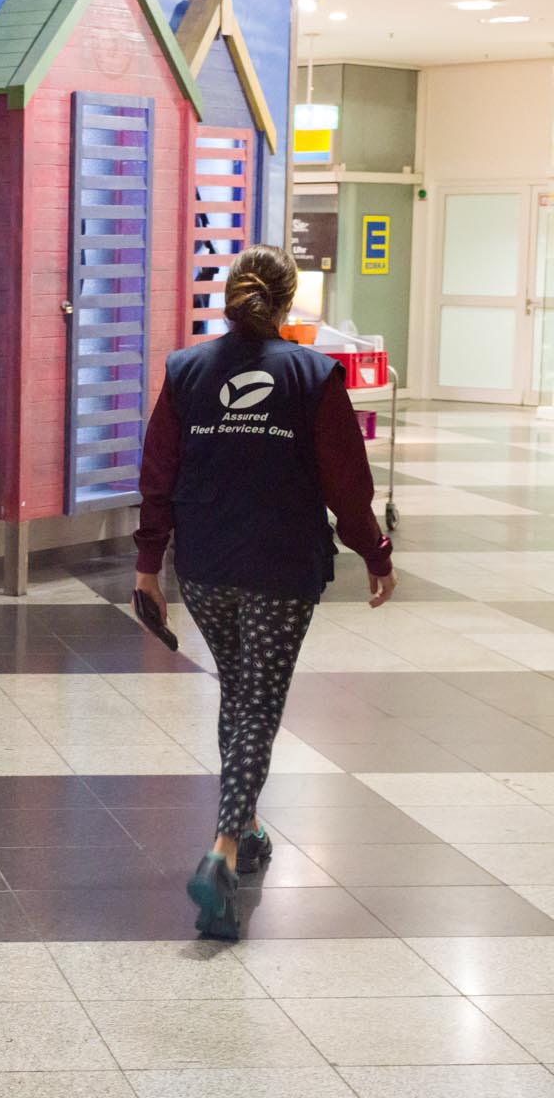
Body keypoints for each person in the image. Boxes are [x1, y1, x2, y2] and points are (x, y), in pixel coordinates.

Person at [133, 244, 395, 940]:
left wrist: (147, 564)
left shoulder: (186, 370)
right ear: (287, 301)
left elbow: (158, 472)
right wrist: (375, 551)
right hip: (280, 566)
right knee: (259, 701)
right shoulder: (312, 375)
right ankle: (222, 849)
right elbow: (346, 483)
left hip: (206, 564)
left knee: (239, 689)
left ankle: (247, 826)